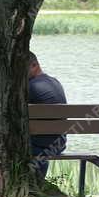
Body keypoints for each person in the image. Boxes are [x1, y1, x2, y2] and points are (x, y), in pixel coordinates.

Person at [27, 51, 67, 181]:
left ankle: (33, 182)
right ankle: (39, 182)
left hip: (40, 145)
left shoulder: (31, 87)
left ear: (34, 65)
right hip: (59, 144)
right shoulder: (55, 82)